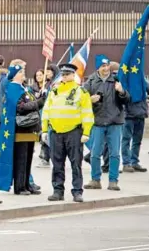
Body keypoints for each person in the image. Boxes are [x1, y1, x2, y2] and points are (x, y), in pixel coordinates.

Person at [42, 64, 94, 203]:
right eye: (63, 74)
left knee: (76, 163)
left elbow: (87, 113)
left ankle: (77, 191)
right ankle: (58, 191)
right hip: (56, 132)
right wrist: (45, 129)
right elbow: (46, 111)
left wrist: (86, 132)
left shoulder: (80, 91)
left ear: (73, 75)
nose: (64, 77)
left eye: (67, 74)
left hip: (74, 132)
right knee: (57, 163)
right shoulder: (55, 91)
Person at [83, 55, 129, 191]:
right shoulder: (90, 81)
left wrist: (121, 92)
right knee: (95, 153)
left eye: (107, 65)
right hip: (98, 122)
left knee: (114, 153)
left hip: (115, 122)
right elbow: (82, 100)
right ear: (98, 67)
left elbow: (127, 99)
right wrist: (89, 100)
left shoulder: (116, 79)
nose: (105, 68)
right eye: (103, 66)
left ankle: (113, 181)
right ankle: (95, 179)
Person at [4, 64, 43, 195]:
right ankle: (19, 187)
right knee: (21, 158)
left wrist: (40, 98)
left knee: (28, 158)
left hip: (30, 128)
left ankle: (27, 184)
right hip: (21, 129)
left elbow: (31, 103)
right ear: (14, 75)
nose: (23, 73)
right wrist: (38, 103)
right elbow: (21, 107)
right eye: (20, 72)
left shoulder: (23, 88)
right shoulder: (13, 88)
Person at [122, 80, 148, 173]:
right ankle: (126, 163)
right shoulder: (124, 78)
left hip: (140, 114)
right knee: (126, 139)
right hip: (128, 115)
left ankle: (134, 162)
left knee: (137, 140)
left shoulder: (141, 79)